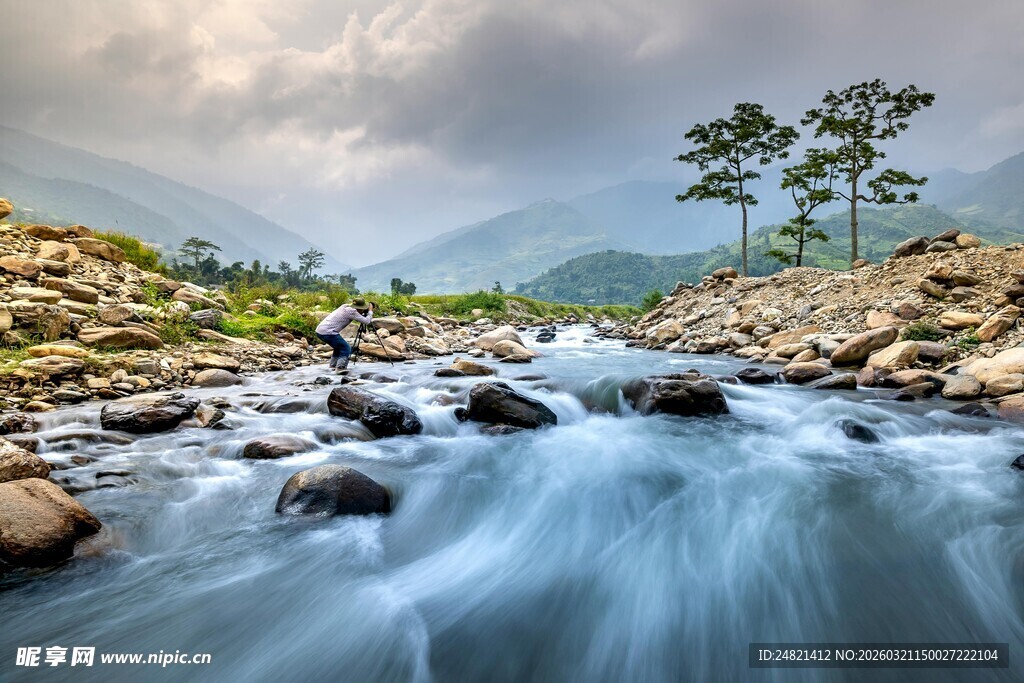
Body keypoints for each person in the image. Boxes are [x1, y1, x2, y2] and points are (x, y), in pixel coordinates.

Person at [315, 297, 374, 371]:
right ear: (358, 308)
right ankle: (340, 368)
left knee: (338, 348)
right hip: (329, 332)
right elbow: (367, 321)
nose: (363, 310)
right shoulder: (352, 312)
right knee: (346, 348)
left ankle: (332, 367)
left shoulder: (344, 306)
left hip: (320, 331)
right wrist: (370, 311)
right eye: (362, 308)